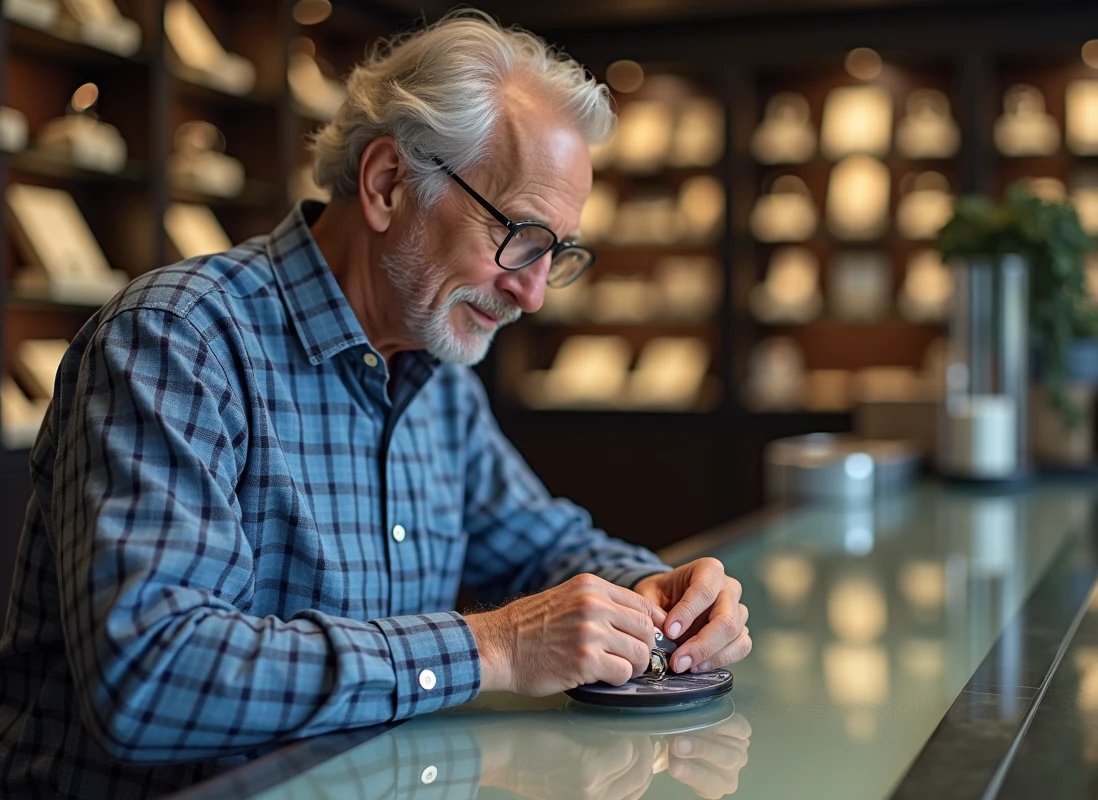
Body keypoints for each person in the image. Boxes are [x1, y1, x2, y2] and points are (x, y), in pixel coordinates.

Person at [0, 10, 751, 798]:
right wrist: (493, 648)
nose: (532, 292)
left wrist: (657, 598)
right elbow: (151, 676)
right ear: (389, 183)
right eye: (520, 237)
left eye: (556, 254)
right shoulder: (177, 341)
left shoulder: (437, 373)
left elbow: (544, 544)